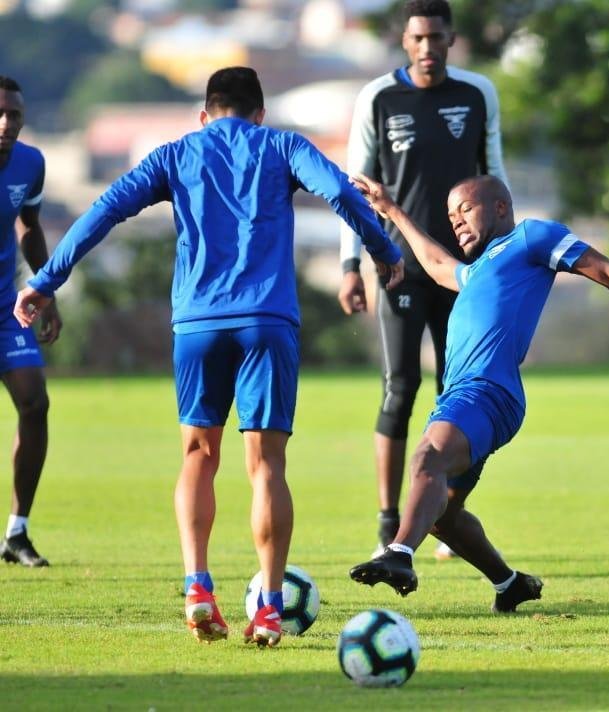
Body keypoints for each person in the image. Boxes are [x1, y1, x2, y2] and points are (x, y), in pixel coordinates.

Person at [14, 67, 403, 646]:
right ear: (260, 113)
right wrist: (381, 247)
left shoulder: (176, 154)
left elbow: (104, 211)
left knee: (198, 453)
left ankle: (198, 587)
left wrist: (46, 280)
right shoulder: (284, 145)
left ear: (205, 113)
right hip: (267, 321)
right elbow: (341, 191)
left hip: (197, 324)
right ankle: (269, 609)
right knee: (266, 466)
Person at [347, 173, 609, 610]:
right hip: (461, 397)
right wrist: (391, 209)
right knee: (442, 516)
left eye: (464, 210)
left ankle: (399, 553)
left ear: (500, 207)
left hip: (487, 392)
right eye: (450, 216)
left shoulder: (532, 238)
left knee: (426, 459)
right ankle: (509, 583)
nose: (456, 222)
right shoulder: (476, 269)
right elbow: (438, 265)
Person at [337, 0, 509, 560]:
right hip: (400, 269)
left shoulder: (476, 93)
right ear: (404, 42)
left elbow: (495, 177)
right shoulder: (379, 98)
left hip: (466, 273)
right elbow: (355, 188)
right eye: (418, 38)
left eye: (437, 37)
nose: (428, 47)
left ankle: (446, 517)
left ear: (451, 39)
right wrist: (349, 265)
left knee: (460, 396)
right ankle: (389, 520)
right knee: (400, 387)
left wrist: (503, 256)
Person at [0, 76, 61, 568]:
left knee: (35, 403)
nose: (7, 123)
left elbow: (30, 226)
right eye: (0, 113)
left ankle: (17, 533)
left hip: (6, 310)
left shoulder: (31, 163)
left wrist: (47, 291)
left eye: (15, 114)